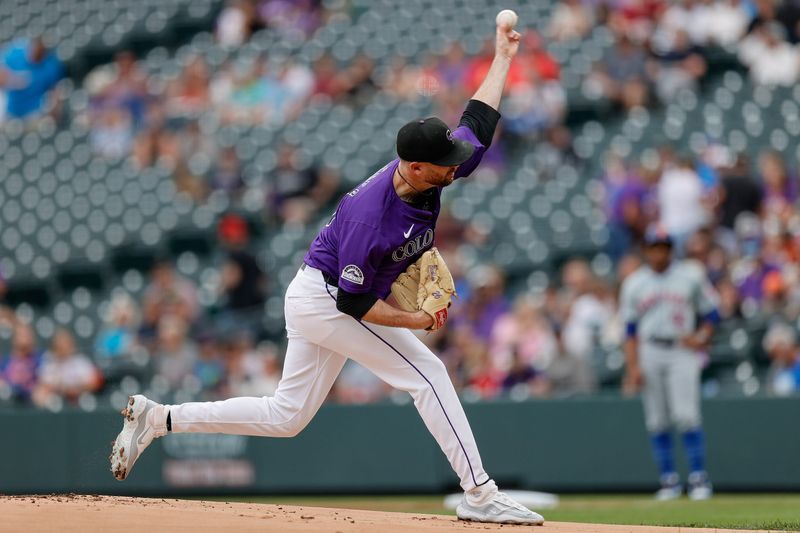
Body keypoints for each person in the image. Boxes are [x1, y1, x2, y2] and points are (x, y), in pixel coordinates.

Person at [110, 20, 543, 525]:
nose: (457, 167)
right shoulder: (371, 216)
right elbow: (353, 305)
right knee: (429, 373)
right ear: (416, 166)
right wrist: (420, 323)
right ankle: (480, 493)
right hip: (327, 299)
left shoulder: (428, 174)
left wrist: (502, 57)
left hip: (319, 293)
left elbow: (479, 121)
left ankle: (158, 419)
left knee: (286, 417)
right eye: (445, 162)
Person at [620, 226, 721, 501]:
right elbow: (629, 330)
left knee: (687, 416)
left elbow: (713, 313)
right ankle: (669, 481)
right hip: (650, 348)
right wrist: (633, 367)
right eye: (654, 247)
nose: (658, 252)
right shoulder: (635, 283)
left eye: (663, 247)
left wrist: (701, 336)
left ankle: (699, 478)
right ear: (646, 250)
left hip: (680, 349)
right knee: (657, 420)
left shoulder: (690, 276)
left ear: (670, 249)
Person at [0, 37, 63, 120]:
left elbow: (56, 90)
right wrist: (14, 80)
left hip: (34, 111)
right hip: (11, 108)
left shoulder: (51, 65)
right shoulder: (15, 54)